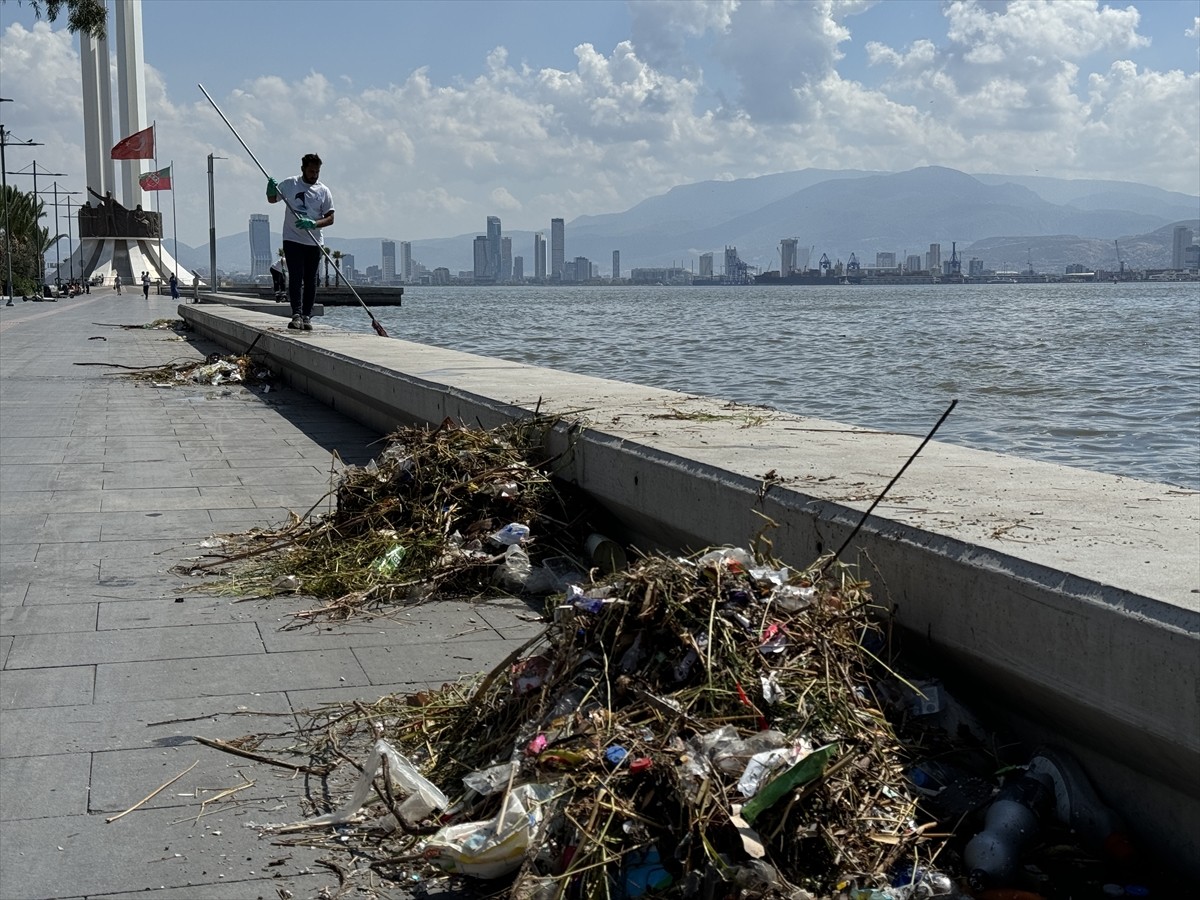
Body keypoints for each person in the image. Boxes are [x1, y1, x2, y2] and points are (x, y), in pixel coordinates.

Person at [267, 153, 334, 331]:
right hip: (292, 239)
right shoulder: (290, 184)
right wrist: (270, 189)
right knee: (295, 277)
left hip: (314, 242)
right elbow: (272, 199)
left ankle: (307, 316)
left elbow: (330, 218)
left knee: (311, 280)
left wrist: (314, 223)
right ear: (303, 169)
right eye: (311, 171)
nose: (314, 175)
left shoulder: (323, 191)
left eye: (317, 172)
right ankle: (296, 314)